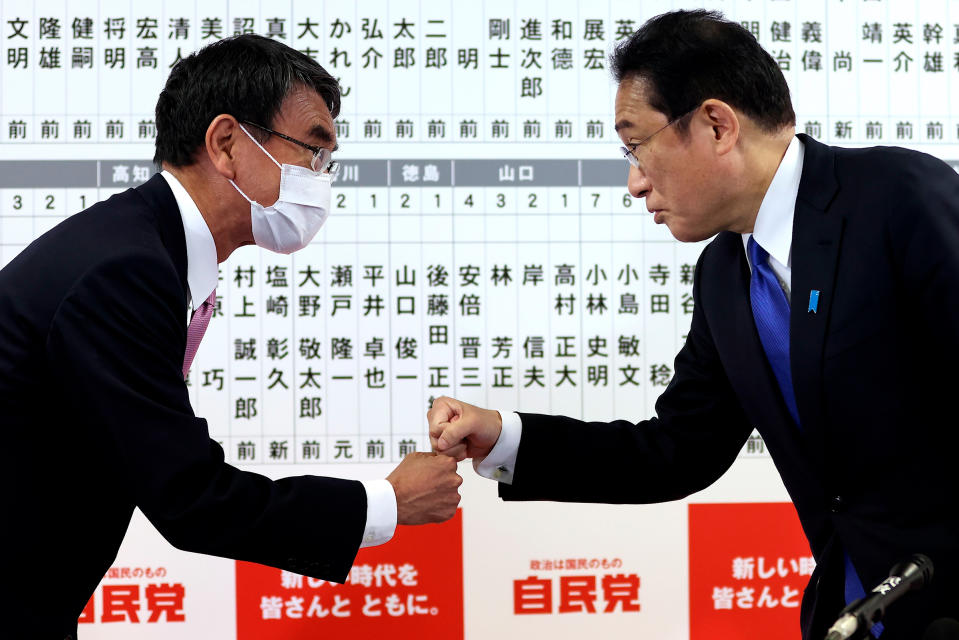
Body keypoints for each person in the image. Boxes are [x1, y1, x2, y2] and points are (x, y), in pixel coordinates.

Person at [429, 10, 959, 640]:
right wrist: (505, 439)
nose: (634, 182)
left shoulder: (898, 197)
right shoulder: (724, 276)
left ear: (716, 124)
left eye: (636, 145)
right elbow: (678, 450)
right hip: (856, 612)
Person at [0, 34, 461, 638]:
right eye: (312, 151)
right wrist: (386, 504)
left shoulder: (146, 247)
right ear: (225, 144)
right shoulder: (124, 269)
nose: (321, 180)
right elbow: (190, 498)